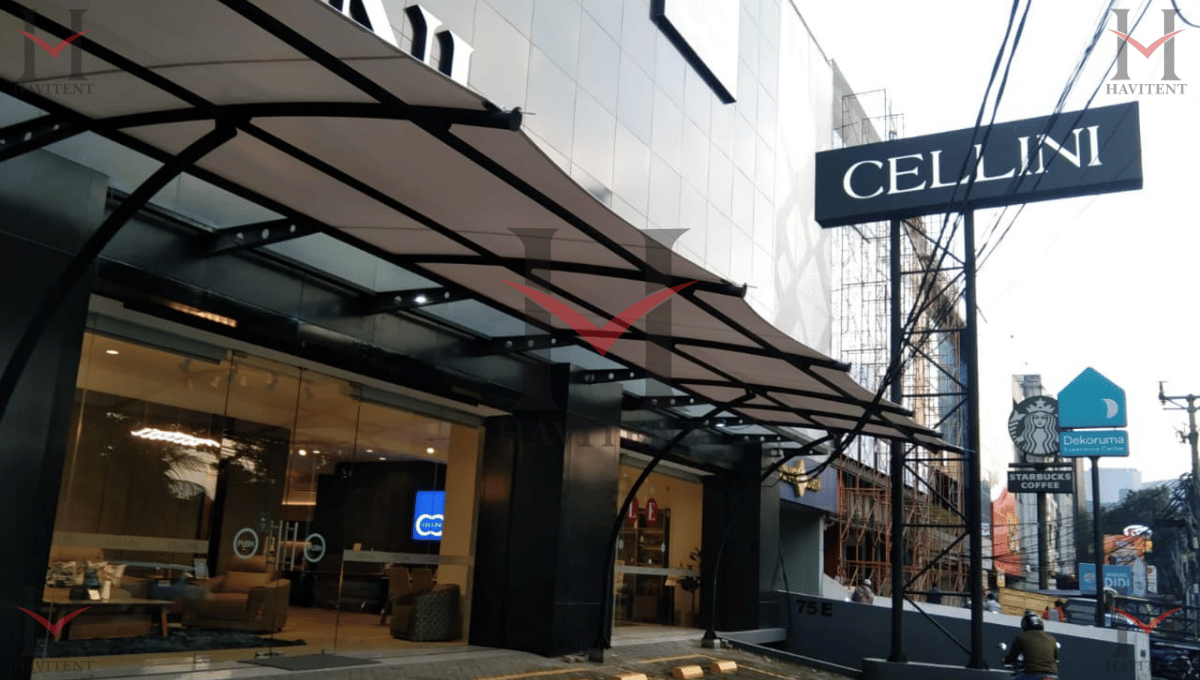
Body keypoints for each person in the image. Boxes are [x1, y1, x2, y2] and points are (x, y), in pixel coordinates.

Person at [1004, 611, 1059, 680]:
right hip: (1053, 675)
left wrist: (1005, 660)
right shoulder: (1051, 638)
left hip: (1033, 674)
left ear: (1024, 624)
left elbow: (1013, 655)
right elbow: (1055, 657)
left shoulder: (1022, 636)